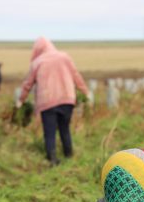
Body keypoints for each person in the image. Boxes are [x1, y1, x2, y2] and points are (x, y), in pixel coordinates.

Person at [16, 37, 89, 165]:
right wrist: (85, 91)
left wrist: (21, 100)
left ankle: (52, 158)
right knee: (64, 128)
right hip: (67, 99)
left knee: (49, 131)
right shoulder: (64, 57)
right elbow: (75, 75)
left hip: (47, 101)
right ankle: (69, 155)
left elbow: (28, 83)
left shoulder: (37, 62)